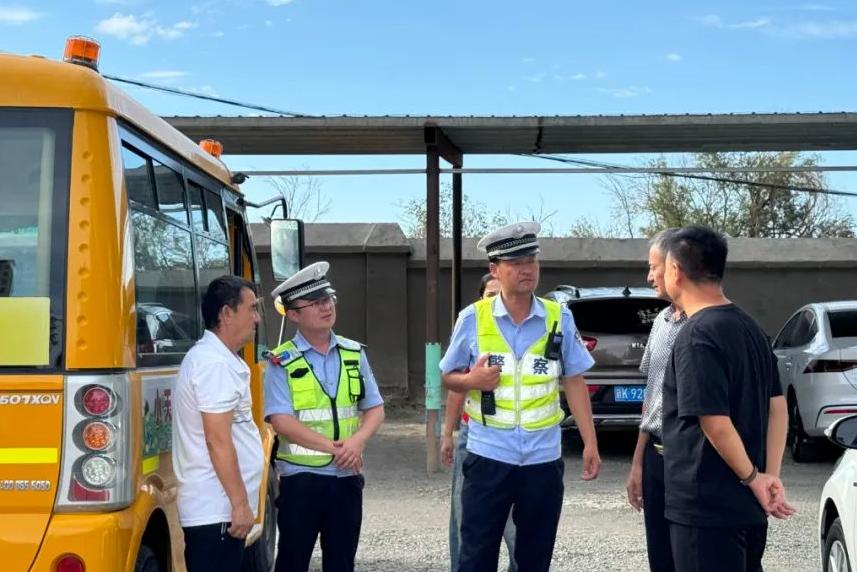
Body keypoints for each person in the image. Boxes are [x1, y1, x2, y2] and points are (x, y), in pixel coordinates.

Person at [441, 221, 601, 572]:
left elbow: (574, 380)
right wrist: (472, 380)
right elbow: (448, 376)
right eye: (515, 263)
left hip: (543, 459)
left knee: (534, 557)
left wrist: (590, 442)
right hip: (488, 455)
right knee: (475, 555)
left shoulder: (559, 317)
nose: (526, 269)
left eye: (531, 260)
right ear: (495, 269)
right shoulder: (472, 318)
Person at [660, 225, 795, 572]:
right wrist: (768, 476)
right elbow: (778, 408)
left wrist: (753, 478)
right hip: (747, 506)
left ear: (675, 270)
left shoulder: (697, 334)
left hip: (706, 506)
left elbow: (715, 422)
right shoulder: (752, 328)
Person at [265, 261, 385, 572]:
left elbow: (375, 407)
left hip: (346, 480)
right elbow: (281, 420)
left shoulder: (353, 353)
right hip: (300, 480)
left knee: (342, 563)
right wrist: (335, 448)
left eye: (328, 298)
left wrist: (358, 441)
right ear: (293, 315)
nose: (326, 306)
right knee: (292, 562)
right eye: (316, 302)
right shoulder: (282, 361)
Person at [172, 275, 264, 572]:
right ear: (226, 313)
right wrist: (239, 504)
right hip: (216, 512)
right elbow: (217, 440)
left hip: (219, 513)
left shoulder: (220, 359)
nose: (257, 318)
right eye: (251, 308)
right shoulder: (214, 364)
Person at [441, 273, 517, 572]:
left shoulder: (527, 328)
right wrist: (448, 433)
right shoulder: (473, 327)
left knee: (519, 527)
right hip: (475, 437)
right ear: (481, 297)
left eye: (501, 292)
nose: (497, 298)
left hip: (518, 441)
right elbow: (455, 385)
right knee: (467, 520)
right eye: (490, 294)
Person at [624, 228, 684, 572]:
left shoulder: (708, 324)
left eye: (653, 267)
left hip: (691, 459)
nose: (649, 277)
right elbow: (652, 396)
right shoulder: (661, 321)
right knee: (660, 556)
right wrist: (638, 463)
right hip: (656, 457)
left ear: (675, 267)